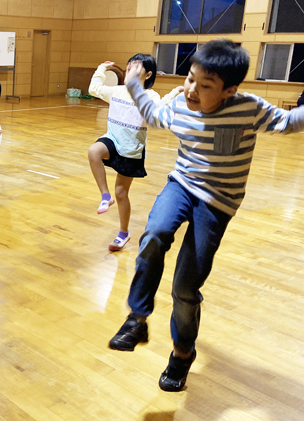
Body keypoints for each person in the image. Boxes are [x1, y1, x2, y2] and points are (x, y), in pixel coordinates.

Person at [108, 39, 304, 392]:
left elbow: (289, 122)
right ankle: (137, 318)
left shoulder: (249, 108)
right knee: (154, 233)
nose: (191, 90)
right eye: (189, 79)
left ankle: (182, 354)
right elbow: (153, 115)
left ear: (230, 90)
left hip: (219, 200)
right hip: (182, 184)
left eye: (205, 85)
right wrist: (134, 84)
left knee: (186, 285)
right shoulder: (181, 105)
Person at [88, 55, 181, 251]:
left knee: (121, 193)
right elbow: (93, 89)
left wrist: (174, 92)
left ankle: (123, 233)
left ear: (147, 74)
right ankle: (105, 196)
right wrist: (101, 69)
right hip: (112, 140)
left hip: (132, 149)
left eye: (136, 67)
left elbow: (159, 109)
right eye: (129, 66)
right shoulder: (117, 91)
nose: (130, 69)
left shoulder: (150, 96)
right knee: (94, 151)